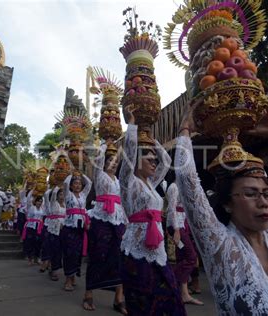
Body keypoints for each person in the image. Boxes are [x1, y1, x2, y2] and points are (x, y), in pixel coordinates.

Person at [174, 106, 268, 315]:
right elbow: (187, 181)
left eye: (266, 194)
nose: (263, 202)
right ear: (227, 203)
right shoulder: (219, 244)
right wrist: (184, 132)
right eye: (250, 194)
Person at [119, 106, 186, 316]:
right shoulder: (129, 182)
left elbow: (166, 161)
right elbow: (129, 155)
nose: (154, 164)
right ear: (138, 162)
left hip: (157, 246)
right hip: (136, 245)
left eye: (153, 160)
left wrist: (151, 140)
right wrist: (132, 127)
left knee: (170, 293)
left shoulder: (151, 184)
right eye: (149, 160)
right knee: (141, 297)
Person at [82, 142, 128, 313]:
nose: (114, 164)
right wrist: (105, 143)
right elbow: (99, 159)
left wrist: (126, 221)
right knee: (97, 254)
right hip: (101, 219)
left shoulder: (118, 181)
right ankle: (88, 293)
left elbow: (122, 202)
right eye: (111, 161)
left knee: (119, 257)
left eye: (116, 162)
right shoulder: (99, 175)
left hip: (118, 220)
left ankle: (118, 298)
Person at [166, 182, 203, 306]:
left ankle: (184, 294)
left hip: (184, 225)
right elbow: (171, 209)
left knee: (182, 258)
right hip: (176, 226)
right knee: (191, 257)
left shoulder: (185, 187)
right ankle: (168, 281)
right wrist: (176, 231)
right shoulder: (174, 187)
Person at [61, 172, 92, 291]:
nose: (78, 185)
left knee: (78, 253)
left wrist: (82, 174)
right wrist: (70, 173)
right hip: (69, 227)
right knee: (69, 253)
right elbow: (65, 183)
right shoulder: (68, 195)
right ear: (71, 186)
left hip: (81, 227)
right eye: (75, 183)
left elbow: (89, 183)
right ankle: (68, 279)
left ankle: (73, 275)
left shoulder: (83, 195)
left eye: (79, 184)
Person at [47, 186, 67, 281]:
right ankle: (54, 270)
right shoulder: (53, 203)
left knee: (61, 250)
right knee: (55, 250)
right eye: (60, 194)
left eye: (63, 194)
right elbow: (52, 194)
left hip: (64, 230)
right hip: (54, 229)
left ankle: (54, 266)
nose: (62, 196)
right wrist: (58, 185)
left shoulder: (66, 204)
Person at [22, 191, 44, 265]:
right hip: (31, 226)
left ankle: (37, 258)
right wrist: (33, 189)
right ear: (35, 201)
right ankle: (30, 258)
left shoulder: (42, 209)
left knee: (38, 243)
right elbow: (28, 198)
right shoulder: (31, 207)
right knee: (30, 243)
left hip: (39, 227)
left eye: (41, 201)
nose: (39, 203)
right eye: (38, 201)